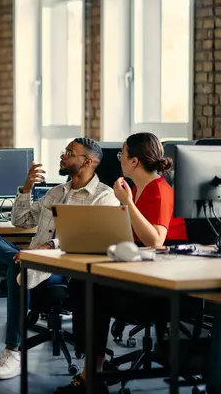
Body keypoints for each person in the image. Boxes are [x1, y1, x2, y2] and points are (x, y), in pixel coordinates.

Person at [0, 138, 119, 381]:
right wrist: (27, 189)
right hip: (34, 260)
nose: (63, 156)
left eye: (70, 153)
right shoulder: (56, 192)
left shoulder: (104, 197)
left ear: (88, 161)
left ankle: (13, 351)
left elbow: (89, 238)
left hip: (65, 268)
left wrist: (49, 246)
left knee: (19, 267)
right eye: (65, 151)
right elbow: (21, 221)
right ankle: (20, 260)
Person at [55, 132, 188, 394]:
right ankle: (93, 370)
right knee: (84, 285)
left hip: (160, 285)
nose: (119, 160)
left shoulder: (160, 190)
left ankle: (93, 373)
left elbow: (156, 240)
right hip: (138, 270)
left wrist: (126, 204)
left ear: (134, 162)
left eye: (122, 154)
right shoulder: (137, 189)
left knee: (91, 291)